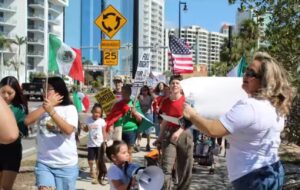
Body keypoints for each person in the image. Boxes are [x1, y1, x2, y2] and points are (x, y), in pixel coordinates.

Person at [183, 52, 296, 190]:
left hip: (252, 177)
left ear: (264, 80)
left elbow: (212, 130)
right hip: (272, 171)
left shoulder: (249, 106)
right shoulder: (275, 105)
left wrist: (191, 114)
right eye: (246, 70)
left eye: (251, 73)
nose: (245, 75)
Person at [24, 76, 79, 190]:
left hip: (66, 165)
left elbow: (68, 130)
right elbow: (27, 121)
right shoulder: (41, 108)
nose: (44, 92)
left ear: (58, 91)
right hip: (44, 163)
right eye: (43, 89)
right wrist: (45, 108)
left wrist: (52, 111)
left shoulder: (70, 108)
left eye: (48, 89)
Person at [157, 75, 193, 190]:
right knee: (166, 168)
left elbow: (190, 119)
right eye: (173, 83)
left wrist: (179, 131)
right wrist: (159, 137)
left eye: (177, 83)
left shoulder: (187, 100)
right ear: (169, 85)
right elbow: (165, 121)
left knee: (184, 167)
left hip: (184, 134)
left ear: (181, 86)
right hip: (169, 135)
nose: (175, 85)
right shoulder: (165, 101)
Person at [0, 76, 28, 190]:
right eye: (2, 92)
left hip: (12, 151)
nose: (6, 95)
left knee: (6, 186)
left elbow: (19, 131)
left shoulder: (19, 108)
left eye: (9, 92)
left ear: (16, 92)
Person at [83, 103, 106, 182]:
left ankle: (96, 172)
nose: (97, 114)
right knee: (90, 160)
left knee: (98, 160)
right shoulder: (88, 119)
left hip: (99, 144)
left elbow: (104, 132)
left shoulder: (102, 121)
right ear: (92, 111)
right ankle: (91, 169)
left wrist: (105, 142)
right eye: (96, 112)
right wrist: (84, 127)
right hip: (91, 144)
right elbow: (85, 130)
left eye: (99, 113)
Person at [137, 85, 154, 151]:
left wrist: (151, 91)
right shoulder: (139, 97)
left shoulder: (150, 97)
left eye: (145, 90)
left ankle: (148, 144)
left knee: (148, 131)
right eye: (143, 90)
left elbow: (155, 98)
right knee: (140, 130)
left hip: (148, 115)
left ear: (148, 91)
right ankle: (138, 144)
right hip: (141, 115)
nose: (144, 92)